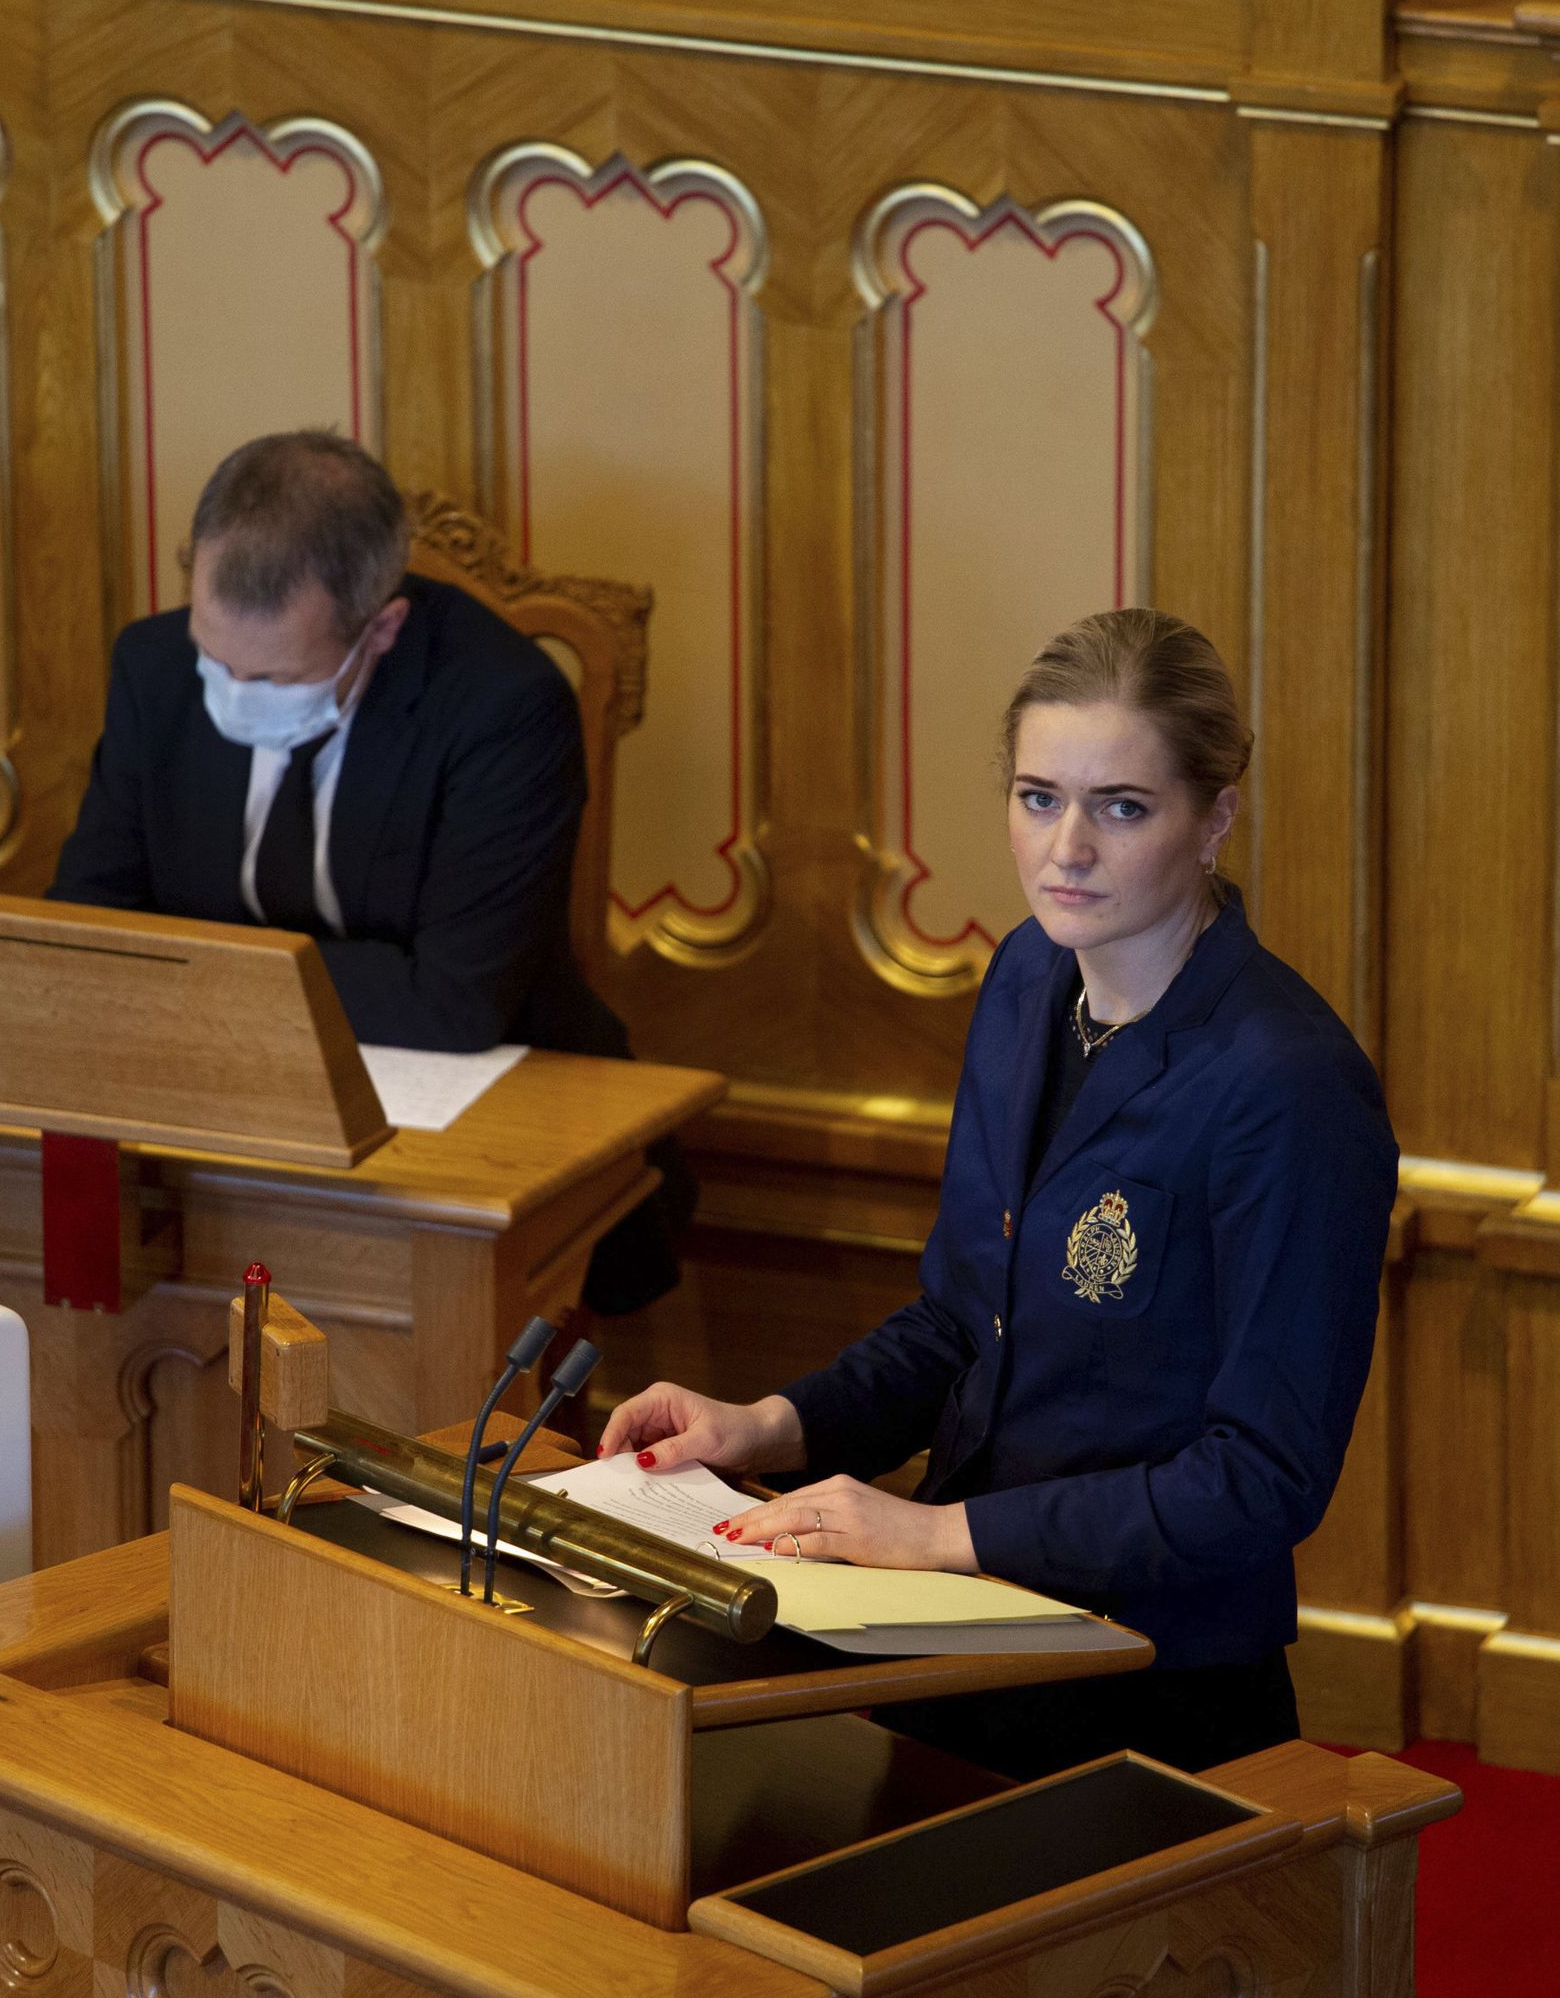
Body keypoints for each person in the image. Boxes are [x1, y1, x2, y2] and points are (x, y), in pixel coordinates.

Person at [599, 609, 1398, 1779]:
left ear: (1215, 816)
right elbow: (962, 1323)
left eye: (1120, 807)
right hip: (951, 1633)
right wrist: (767, 1424)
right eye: (1037, 797)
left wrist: (938, 1532)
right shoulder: (1027, 975)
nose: (1065, 848)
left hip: (1147, 1681)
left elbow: (1259, 1478)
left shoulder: (1288, 1084)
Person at [51, 429, 687, 1312]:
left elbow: (453, 1001)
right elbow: (87, 931)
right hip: (210, 1102)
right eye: (215, 659)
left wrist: (190, 968)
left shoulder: (504, 706)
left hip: (480, 1118)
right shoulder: (154, 667)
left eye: (274, 678)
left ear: (382, 627)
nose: (231, 694)